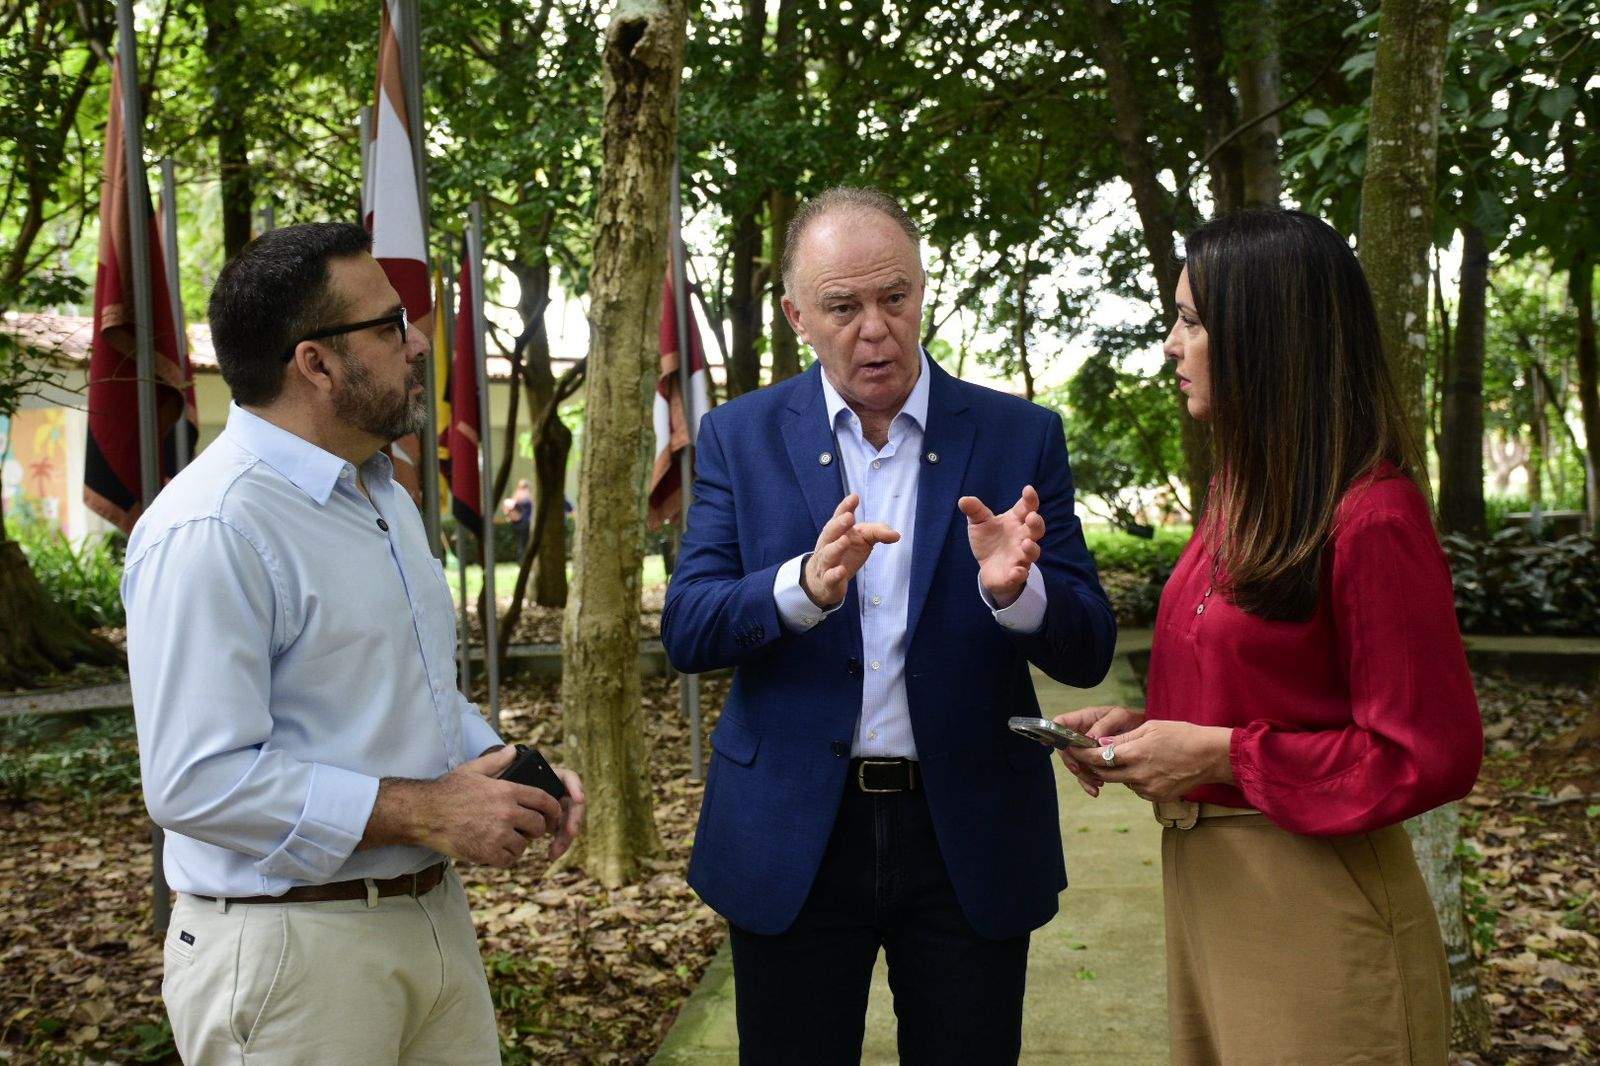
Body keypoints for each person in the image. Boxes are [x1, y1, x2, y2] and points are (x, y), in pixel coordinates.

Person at [661, 186, 1116, 1064]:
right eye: (843, 306)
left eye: (894, 297)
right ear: (798, 315)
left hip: (967, 834)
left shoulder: (1020, 435)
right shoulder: (739, 436)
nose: (875, 328)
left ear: (922, 290)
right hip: (793, 832)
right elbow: (688, 626)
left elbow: (1090, 646)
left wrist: (1013, 594)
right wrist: (803, 587)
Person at [123, 223, 585, 1065]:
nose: (417, 345)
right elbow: (194, 782)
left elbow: (411, 695)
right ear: (316, 362)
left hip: (431, 921)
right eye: (390, 324)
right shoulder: (212, 527)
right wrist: (429, 810)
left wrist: (510, 770)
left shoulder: (384, 494)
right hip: (290, 959)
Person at [1056, 208, 1483, 1065]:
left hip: (1317, 903)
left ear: (1266, 335)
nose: (1172, 346)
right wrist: (1139, 731)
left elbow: (1429, 753)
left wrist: (1221, 756)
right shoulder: (1241, 501)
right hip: (1207, 893)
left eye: (1192, 321)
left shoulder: (1371, 516)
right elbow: (1258, 690)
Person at [503, 478, 533, 560]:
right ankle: (522, 561)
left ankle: (522, 561)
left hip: (518, 524)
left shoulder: (515, 496)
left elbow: (507, 510)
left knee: (521, 544)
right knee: (523, 545)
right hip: (524, 524)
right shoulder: (524, 496)